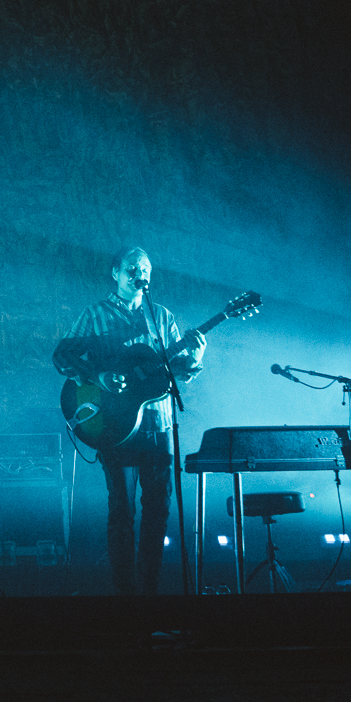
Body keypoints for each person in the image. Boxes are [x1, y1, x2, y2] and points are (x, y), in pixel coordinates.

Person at [53, 247, 206, 595]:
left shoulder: (161, 316)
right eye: (134, 268)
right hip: (114, 425)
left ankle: (149, 592)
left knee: (158, 509)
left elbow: (175, 371)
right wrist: (98, 376)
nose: (142, 274)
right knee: (121, 510)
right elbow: (62, 355)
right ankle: (125, 596)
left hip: (158, 423)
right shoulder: (95, 315)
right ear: (116, 273)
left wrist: (194, 359)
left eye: (147, 268)